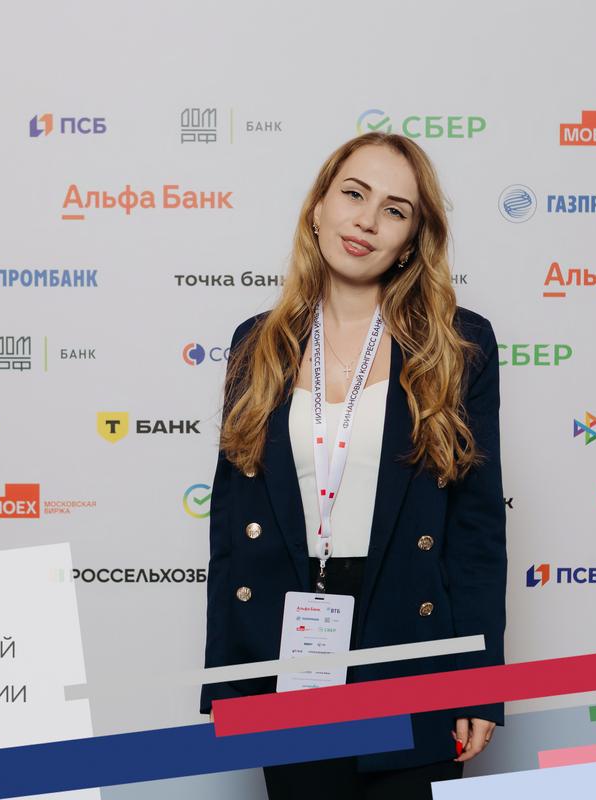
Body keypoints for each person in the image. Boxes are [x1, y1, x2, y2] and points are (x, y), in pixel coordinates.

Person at [200, 131, 507, 800]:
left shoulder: (459, 346)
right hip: (289, 643)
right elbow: (230, 529)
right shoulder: (257, 343)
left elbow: (477, 534)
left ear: (412, 240)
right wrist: (229, 681)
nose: (367, 220)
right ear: (319, 208)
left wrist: (480, 684)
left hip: (408, 640)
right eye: (354, 194)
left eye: (395, 210)